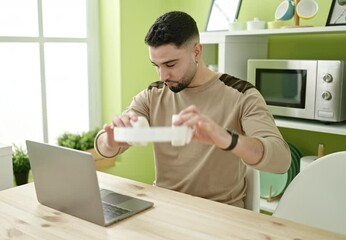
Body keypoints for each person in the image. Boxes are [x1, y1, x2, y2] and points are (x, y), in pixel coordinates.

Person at [94, 11, 291, 208]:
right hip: (164, 208)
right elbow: (102, 145)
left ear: (196, 52)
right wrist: (111, 142)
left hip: (219, 215)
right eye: (156, 65)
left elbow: (282, 161)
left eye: (170, 64)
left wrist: (227, 138)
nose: (163, 75)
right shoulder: (153, 95)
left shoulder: (242, 95)